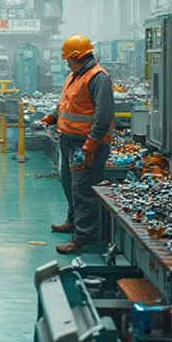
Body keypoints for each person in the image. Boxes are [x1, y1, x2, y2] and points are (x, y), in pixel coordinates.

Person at [40, 34, 115, 255]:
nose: (66, 63)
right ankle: (74, 221)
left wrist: (91, 145)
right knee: (69, 183)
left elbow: (103, 115)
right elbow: (68, 102)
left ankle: (84, 237)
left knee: (83, 189)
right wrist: (54, 116)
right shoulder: (75, 75)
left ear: (77, 56)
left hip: (85, 143)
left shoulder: (98, 77)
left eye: (67, 59)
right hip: (68, 139)